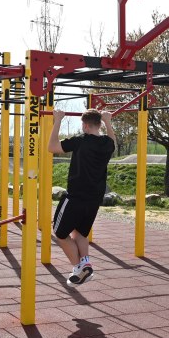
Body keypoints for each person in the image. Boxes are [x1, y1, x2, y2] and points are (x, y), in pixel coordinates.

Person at [48, 108, 115, 287]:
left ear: (85, 125)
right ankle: (85, 264)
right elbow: (113, 142)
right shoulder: (107, 144)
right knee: (80, 232)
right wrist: (108, 122)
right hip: (94, 198)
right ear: (99, 125)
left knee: (60, 232)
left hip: (76, 196)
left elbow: (52, 148)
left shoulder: (81, 141)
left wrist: (58, 120)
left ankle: (79, 267)